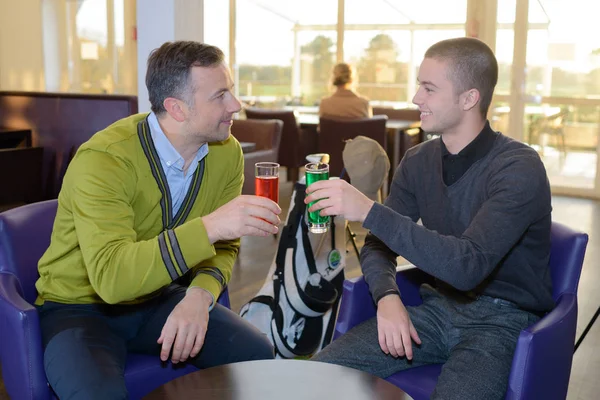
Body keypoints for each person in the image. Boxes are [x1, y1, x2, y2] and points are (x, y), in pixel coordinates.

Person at [307, 37, 553, 399]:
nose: (415, 98)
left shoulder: (519, 168)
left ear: (469, 99)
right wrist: (388, 297)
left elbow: (467, 266)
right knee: (315, 379)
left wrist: (368, 210)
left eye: (429, 88)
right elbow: (379, 243)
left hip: (501, 324)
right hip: (437, 310)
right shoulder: (419, 160)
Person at [35, 41, 281, 400]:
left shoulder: (225, 152)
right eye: (220, 96)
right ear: (176, 108)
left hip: (158, 296)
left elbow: (225, 246)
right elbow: (112, 280)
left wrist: (198, 297)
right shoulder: (103, 160)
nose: (236, 105)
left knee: (256, 355)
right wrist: (211, 225)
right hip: (78, 309)